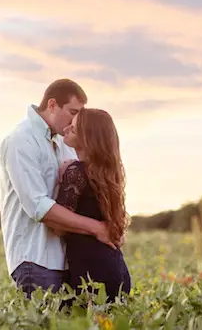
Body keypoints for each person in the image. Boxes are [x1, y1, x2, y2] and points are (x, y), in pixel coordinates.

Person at [0, 79, 118, 299]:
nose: (76, 121)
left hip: (70, 261)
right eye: (72, 112)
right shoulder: (21, 140)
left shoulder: (65, 141)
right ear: (52, 105)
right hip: (36, 259)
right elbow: (38, 207)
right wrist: (97, 228)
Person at [54, 108, 131, 303]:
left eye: (75, 125)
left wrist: (62, 179)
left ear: (88, 136)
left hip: (91, 275)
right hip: (116, 269)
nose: (67, 127)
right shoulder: (106, 175)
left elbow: (57, 225)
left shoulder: (76, 172)